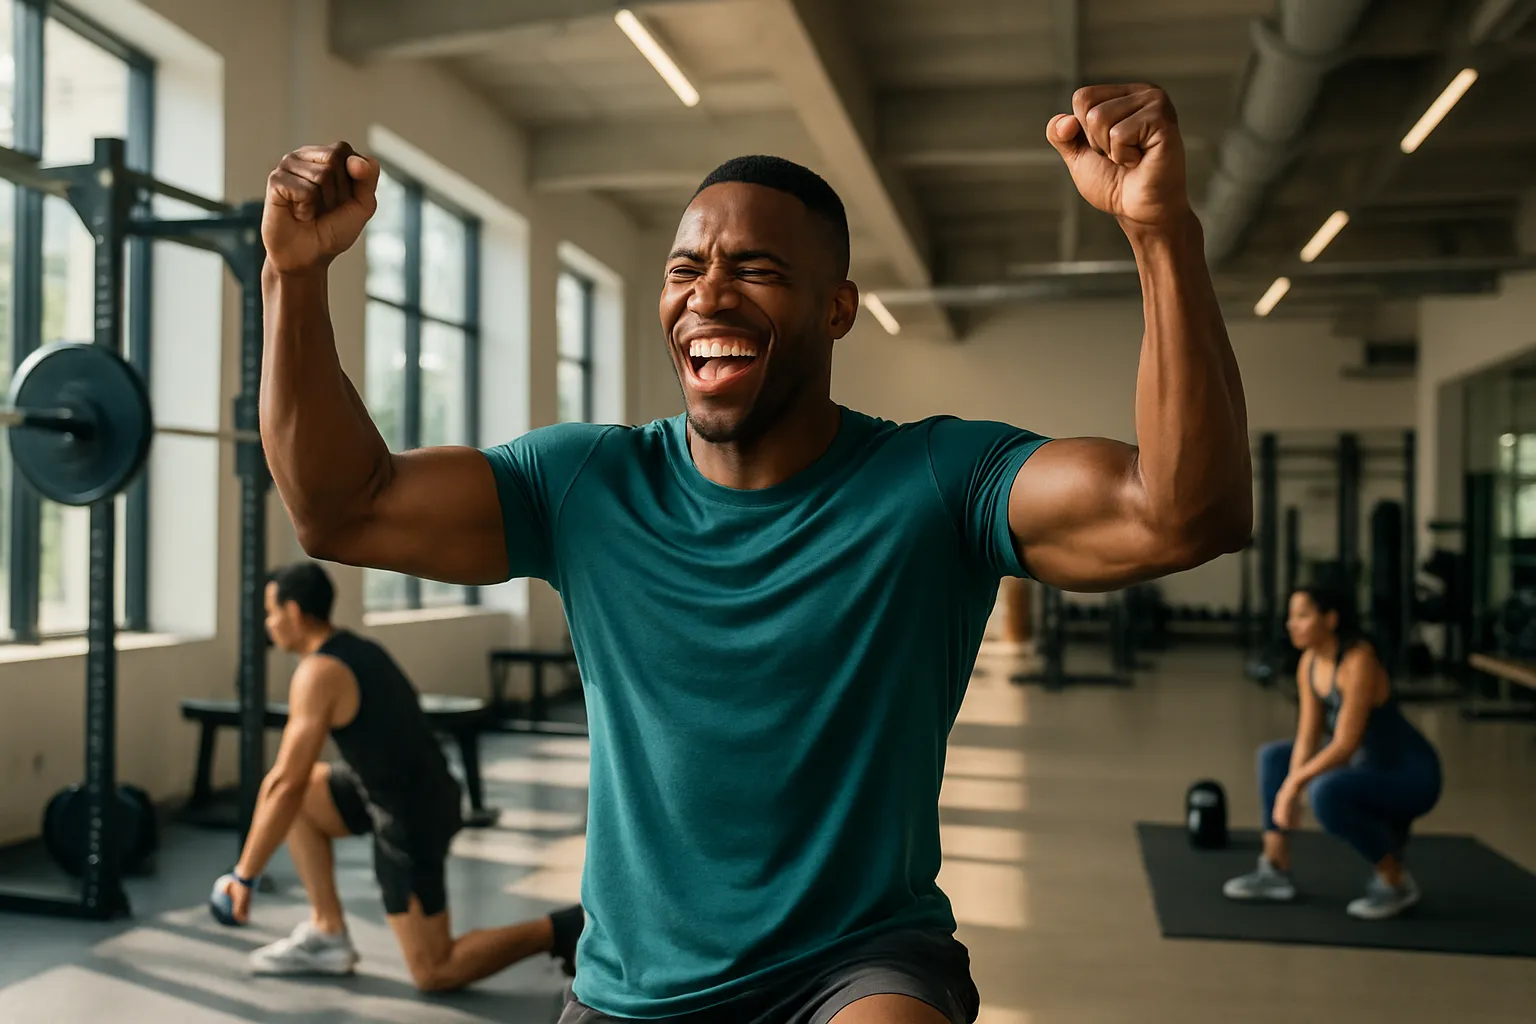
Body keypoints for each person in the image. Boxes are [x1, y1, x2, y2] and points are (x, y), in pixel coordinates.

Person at [259, 83, 1251, 1023]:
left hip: (858, 961)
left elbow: (1180, 514)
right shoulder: (587, 484)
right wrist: (293, 278)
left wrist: (1160, 232)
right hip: (633, 987)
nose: (710, 294)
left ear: (837, 309)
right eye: (684, 269)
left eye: (757, 269)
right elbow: (345, 510)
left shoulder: (938, 482)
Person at [214, 561, 584, 989]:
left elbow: (285, 784)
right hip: (389, 787)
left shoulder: (318, 673)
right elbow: (287, 782)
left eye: (271, 612)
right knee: (304, 790)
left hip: (413, 814)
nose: (268, 624)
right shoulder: (355, 648)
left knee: (434, 969)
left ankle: (561, 928)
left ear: (294, 612)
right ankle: (327, 932)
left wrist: (243, 876)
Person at [1223, 585, 1443, 920]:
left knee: (1325, 792)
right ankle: (1274, 867)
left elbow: (1345, 744)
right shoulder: (1310, 662)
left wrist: (1293, 786)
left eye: (1302, 615)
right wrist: (1289, 788)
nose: (1291, 624)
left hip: (1409, 773)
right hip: (1363, 763)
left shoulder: (1358, 661)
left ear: (1330, 619)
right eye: (1291, 616)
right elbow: (1307, 737)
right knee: (1274, 757)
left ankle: (1395, 880)